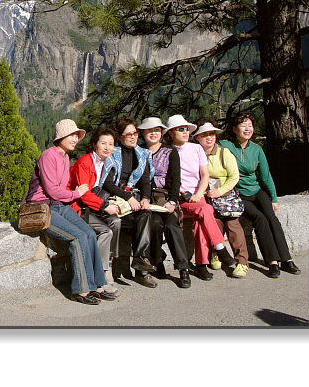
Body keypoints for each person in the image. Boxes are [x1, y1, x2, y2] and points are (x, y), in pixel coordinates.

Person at [26, 119, 114, 304]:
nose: (75, 139)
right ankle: (80, 290)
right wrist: (77, 193)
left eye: (76, 136)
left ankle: (97, 284)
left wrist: (73, 195)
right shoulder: (48, 156)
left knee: (89, 233)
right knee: (77, 237)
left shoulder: (65, 157)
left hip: (60, 205)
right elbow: (51, 190)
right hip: (43, 207)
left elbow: (62, 191)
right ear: (61, 137)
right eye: (71, 135)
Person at [219, 113, 300, 278]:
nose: (248, 128)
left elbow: (265, 176)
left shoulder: (256, 149)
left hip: (256, 191)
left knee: (271, 217)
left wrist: (274, 197)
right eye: (243, 125)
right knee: (259, 218)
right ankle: (272, 262)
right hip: (239, 194)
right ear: (234, 129)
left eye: (250, 125)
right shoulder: (226, 146)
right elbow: (210, 148)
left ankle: (287, 259)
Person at [163, 115, 237, 281]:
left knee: (201, 219)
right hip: (180, 198)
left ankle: (202, 263)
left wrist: (198, 194)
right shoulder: (168, 152)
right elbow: (169, 179)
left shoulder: (196, 149)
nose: (185, 132)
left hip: (198, 196)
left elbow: (204, 175)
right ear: (171, 133)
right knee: (206, 210)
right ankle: (218, 250)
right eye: (180, 129)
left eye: (187, 129)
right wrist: (183, 193)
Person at [101, 116, 158, 288]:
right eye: (128, 134)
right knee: (140, 221)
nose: (133, 137)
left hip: (135, 199)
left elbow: (146, 181)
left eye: (135, 133)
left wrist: (146, 199)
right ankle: (142, 268)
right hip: (116, 199)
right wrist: (128, 197)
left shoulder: (142, 154)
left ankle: (140, 262)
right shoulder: (113, 154)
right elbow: (107, 183)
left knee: (145, 215)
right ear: (120, 137)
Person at [67, 127, 121, 297]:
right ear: (94, 145)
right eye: (103, 143)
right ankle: (101, 273)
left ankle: (109, 263)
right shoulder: (85, 162)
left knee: (116, 222)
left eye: (111, 144)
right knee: (105, 231)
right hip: (77, 208)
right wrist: (105, 206)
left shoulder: (103, 163)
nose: (107, 147)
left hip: (91, 207)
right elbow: (83, 195)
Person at [138, 116, 191, 289]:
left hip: (165, 197)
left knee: (171, 225)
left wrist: (173, 201)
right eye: (149, 130)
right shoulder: (138, 152)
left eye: (157, 130)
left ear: (161, 133)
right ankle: (157, 262)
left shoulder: (170, 152)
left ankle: (183, 268)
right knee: (153, 224)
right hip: (145, 198)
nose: (153, 133)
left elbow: (176, 179)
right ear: (143, 133)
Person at [193, 119, 249, 279]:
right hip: (207, 198)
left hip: (225, 197)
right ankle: (216, 253)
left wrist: (220, 191)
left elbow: (234, 176)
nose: (209, 138)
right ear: (197, 137)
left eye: (211, 134)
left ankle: (242, 263)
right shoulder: (195, 154)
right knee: (213, 224)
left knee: (233, 227)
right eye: (204, 135)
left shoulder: (224, 153)